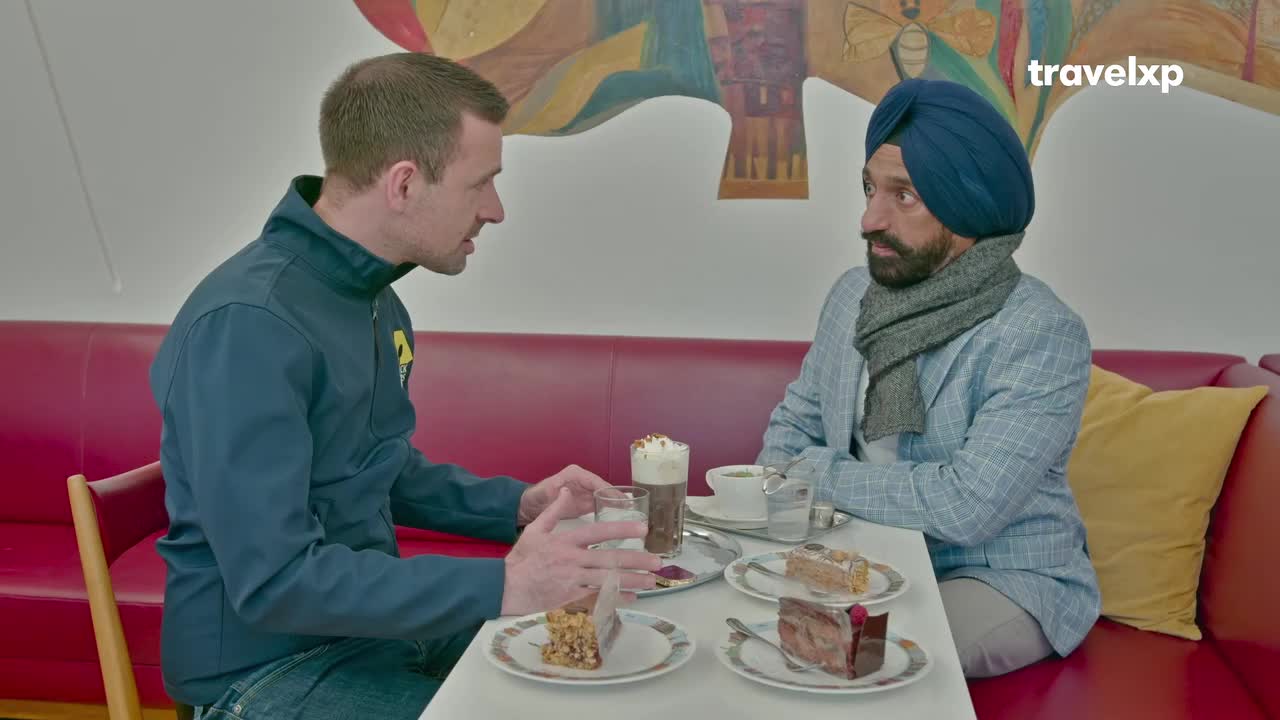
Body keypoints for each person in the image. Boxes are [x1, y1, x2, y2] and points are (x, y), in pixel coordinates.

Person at [148, 52, 661, 719]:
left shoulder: (372, 299)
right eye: (483, 183)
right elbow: (275, 581)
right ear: (404, 184)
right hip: (263, 670)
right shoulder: (250, 325)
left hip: (368, 634)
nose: (497, 210)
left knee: (608, 670)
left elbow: (380, 471)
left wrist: (518, 506)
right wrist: (506, 581)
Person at [755, 78, 1101, 678]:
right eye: (869, 187)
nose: (868, 218)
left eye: (904, 195)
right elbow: (795, 424)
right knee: (750, 630)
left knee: (866, 658)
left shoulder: (1040, 332)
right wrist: (781, 521)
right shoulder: (851, 296)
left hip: (994, 575)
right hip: (856, 556)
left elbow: (966, 505)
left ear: (969, 203)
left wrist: (816, 477)